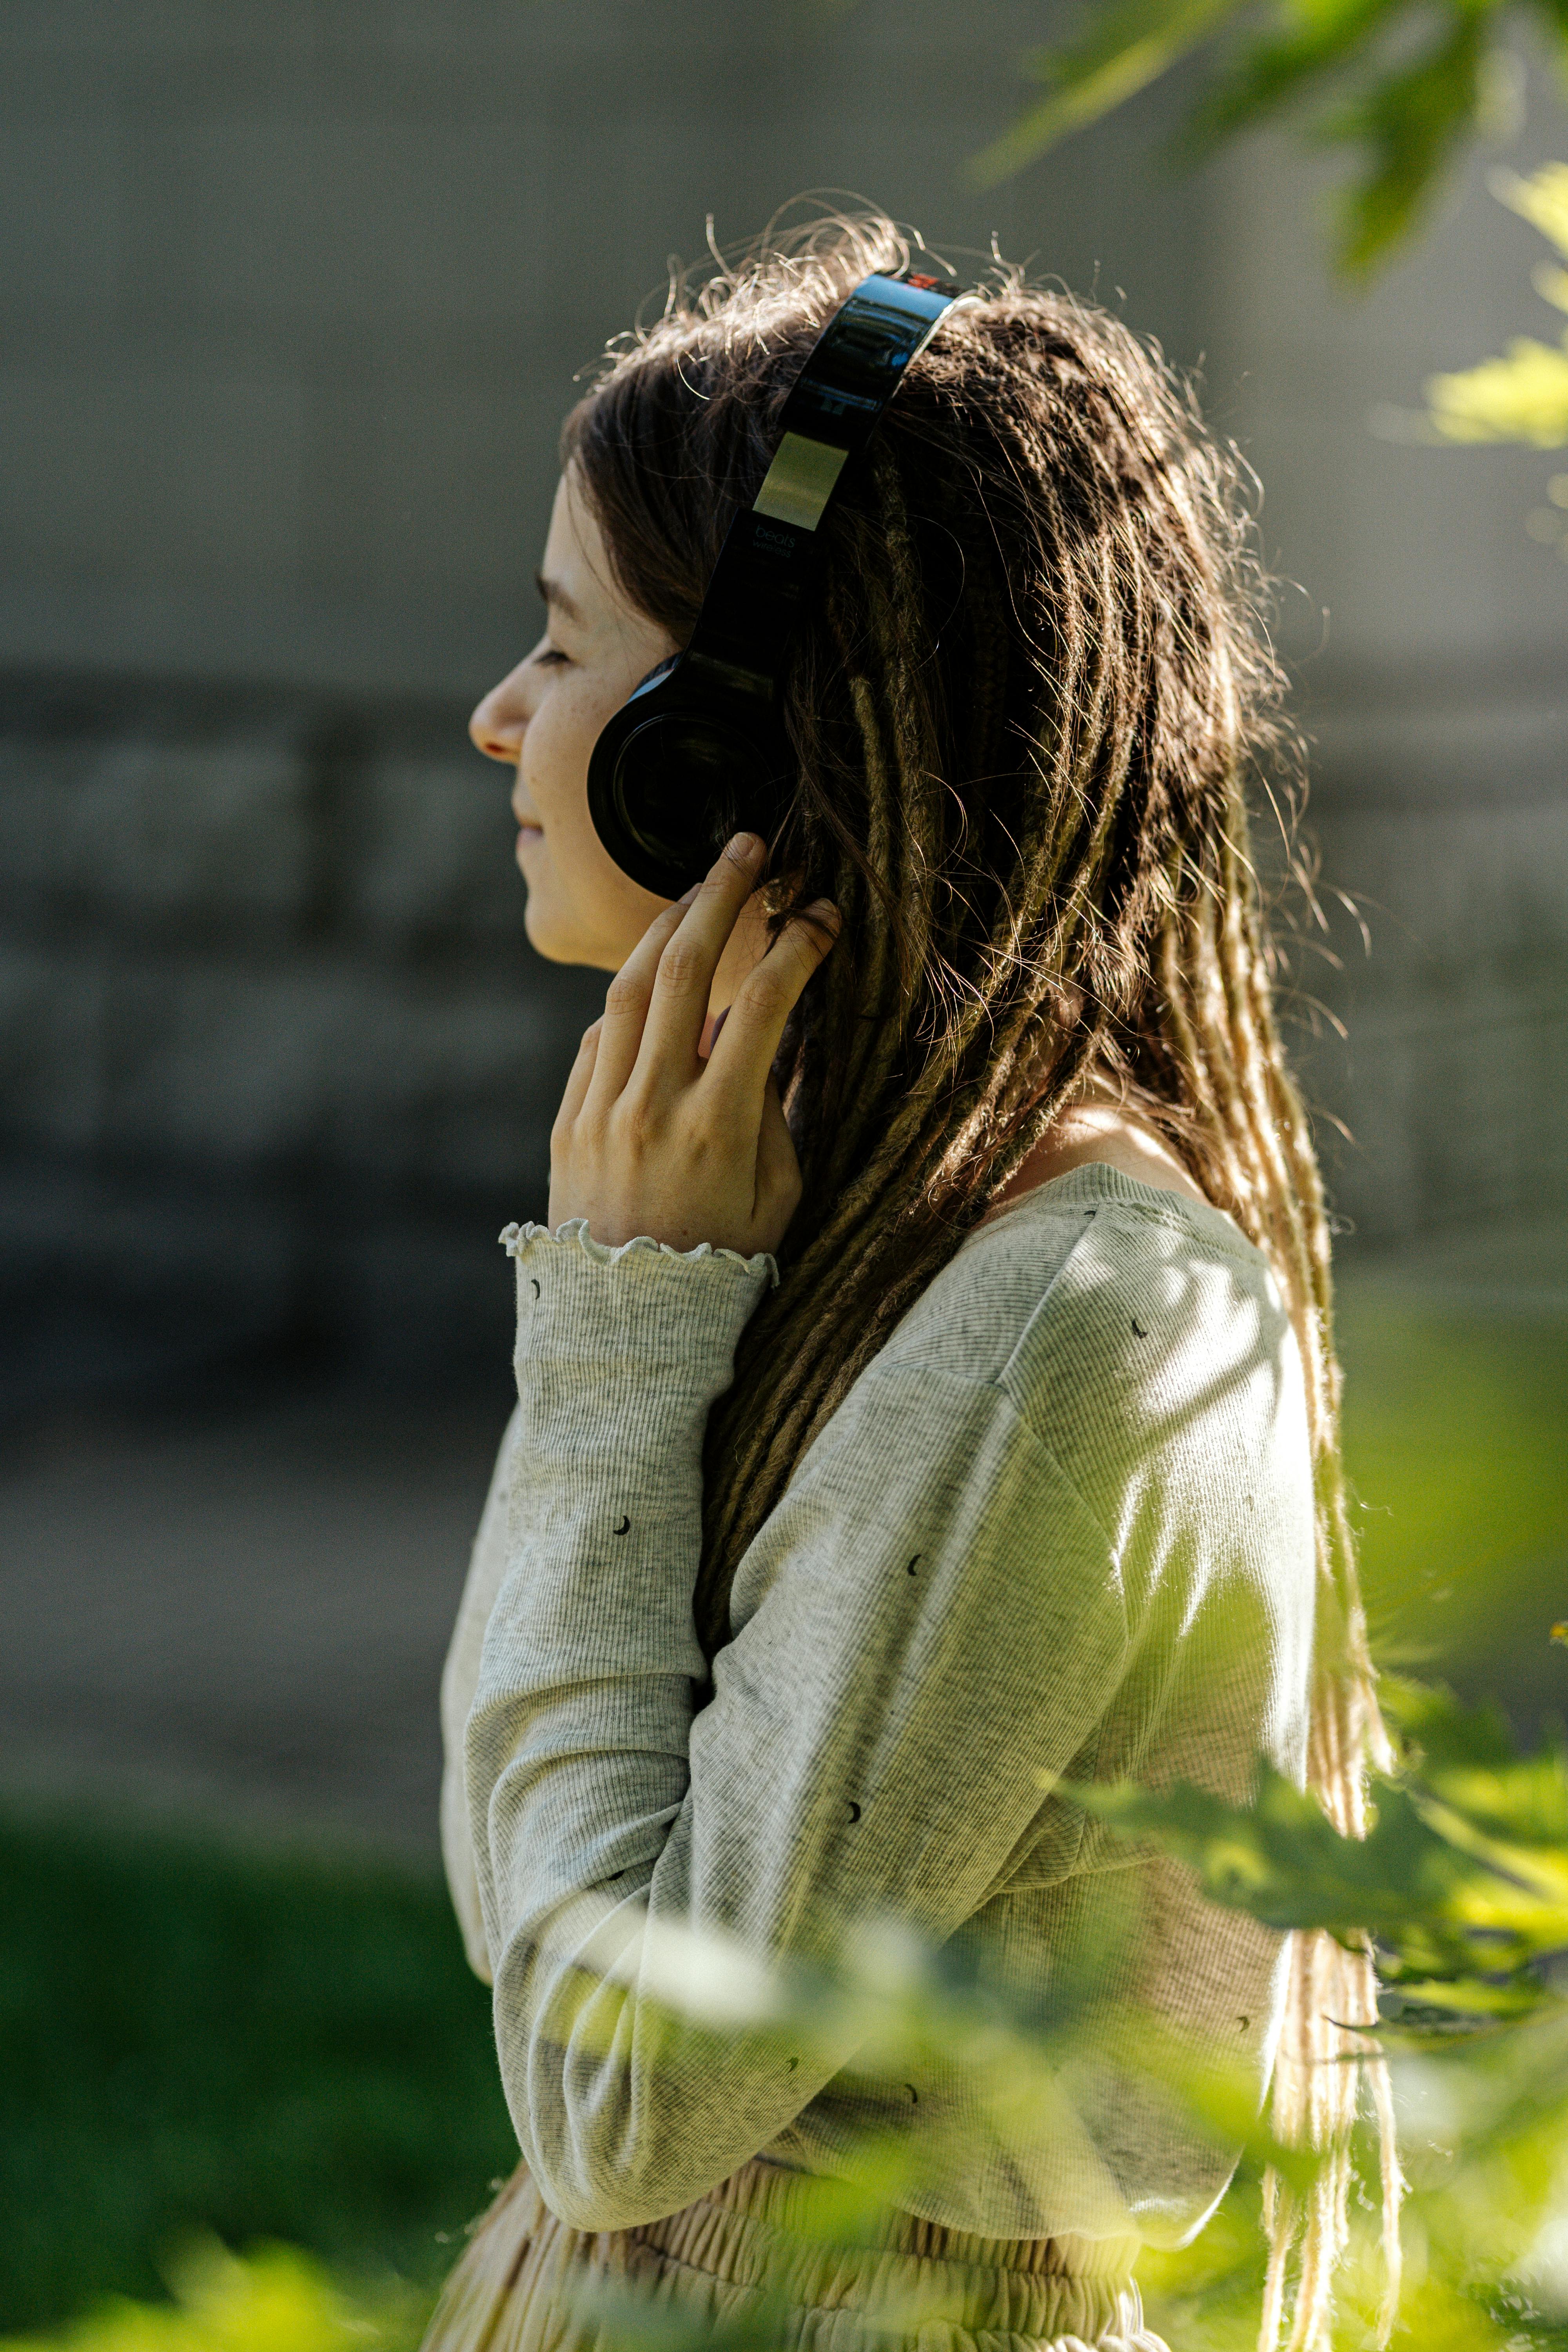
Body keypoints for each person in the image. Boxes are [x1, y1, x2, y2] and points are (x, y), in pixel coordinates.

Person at [424, 216, 1391, 2352]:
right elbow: (546, 1922)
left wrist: (608, 1354)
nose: (500, 721)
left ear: (729, 757)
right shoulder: (868, 1226)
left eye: (568, 650)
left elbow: (615, 2090)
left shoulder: (1072, 1332)